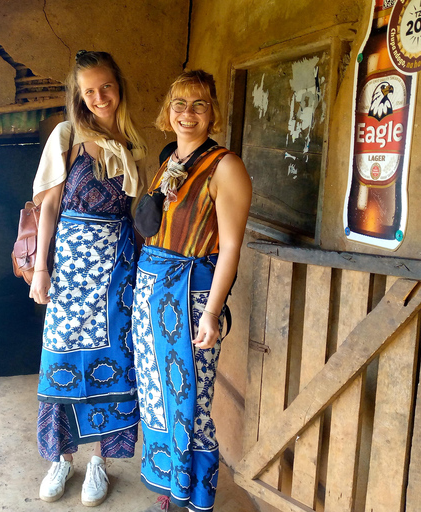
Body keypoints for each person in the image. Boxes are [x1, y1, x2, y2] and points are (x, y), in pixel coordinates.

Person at [29, 50, 148, 507]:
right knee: (60, 362)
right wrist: (42, 267)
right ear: (79, 96)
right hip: (70, 273)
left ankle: (100, 461)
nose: (100, 98)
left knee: (117, 365)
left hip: (118, 276)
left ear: (120, 88)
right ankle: (61, 459)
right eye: (90, 91)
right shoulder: (66, 137)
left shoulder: (134, 146)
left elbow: (140, 218)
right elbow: (50, 209)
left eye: (107, 87)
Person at [133, 70, 252, 512]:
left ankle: (197, 499)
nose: (188, 114)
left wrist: (211, 312)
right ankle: (171, 489)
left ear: (212, 112)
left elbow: (231, 247)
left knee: (192, 403)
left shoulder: (226, 167)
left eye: (199, 105)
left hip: (191, 297)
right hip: (153, 295)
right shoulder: (170, 161)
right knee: (159, 396)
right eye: (179, 104)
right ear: (168, 112)